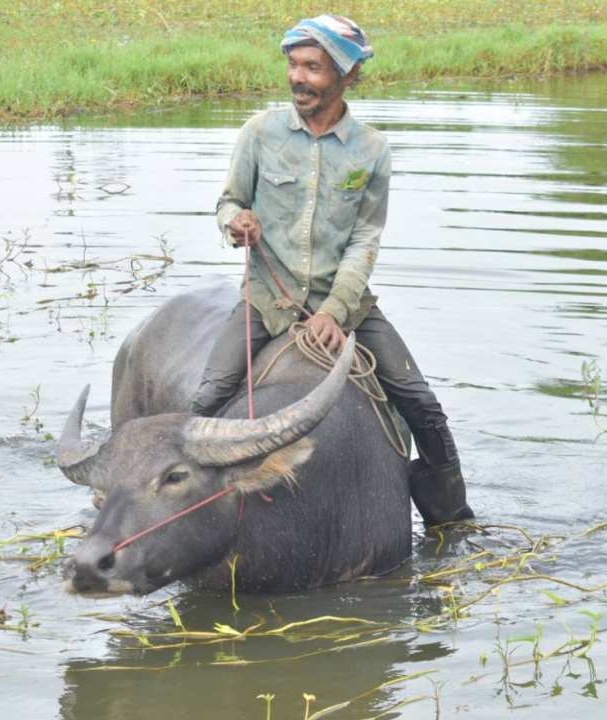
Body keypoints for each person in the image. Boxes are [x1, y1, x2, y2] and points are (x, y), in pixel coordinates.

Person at [192, 14, 474, 527]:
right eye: (294, 65)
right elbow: (229, 202)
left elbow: (365, 238)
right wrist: (237, 223)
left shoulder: (371, 150)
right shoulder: (260, 133)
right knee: (209, 394)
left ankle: (449, 517)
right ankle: (166, 505)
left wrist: (334, 312)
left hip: (347, 304)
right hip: (267, 299)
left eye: (313, 68)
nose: (299, 77)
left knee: (421, 403)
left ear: (346, 77)